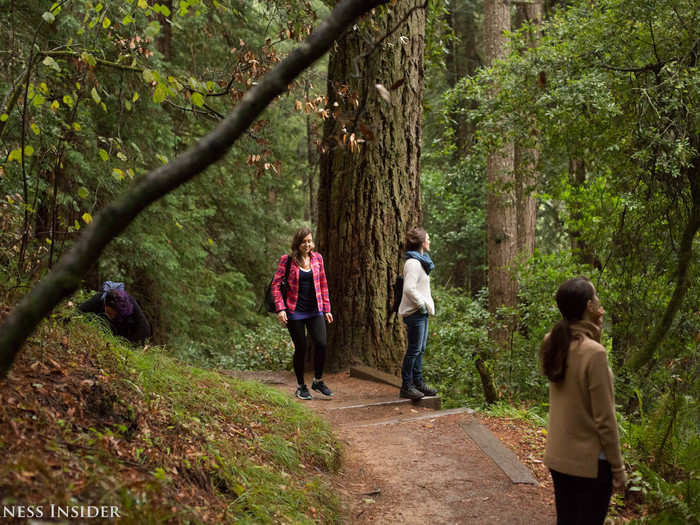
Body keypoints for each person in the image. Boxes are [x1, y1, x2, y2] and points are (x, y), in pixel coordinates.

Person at [540, 277, 626, 525]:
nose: (600, 302)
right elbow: (605, 419)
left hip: (559, 457)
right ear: (589, 305)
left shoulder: (553, 341)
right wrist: (618, 469)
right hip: (589, 464)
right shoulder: (594, 353)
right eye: (596, 297)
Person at [271, 227, 334, 400]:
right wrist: (281, 308)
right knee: (301, 348)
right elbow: (275, 285)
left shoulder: (317, 258)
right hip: (294, 311)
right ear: (297, 243)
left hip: (315, 310)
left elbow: (323, 284)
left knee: (321, 344)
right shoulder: (288, 260)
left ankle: (318, 381)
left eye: (309, 241)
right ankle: (301, 386)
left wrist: (327, 309)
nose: (307, 244)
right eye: (304, 241)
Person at [397, 227, 437, 400]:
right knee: (414, 350)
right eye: (428, 238)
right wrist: (420, 305)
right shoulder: (413, 263)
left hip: (421, 312)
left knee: (420, 350)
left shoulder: (421, 261)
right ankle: (407, 386)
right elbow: (408, 289)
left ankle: (418, 382)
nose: (429, 241)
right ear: (421, 242)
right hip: (414, 312)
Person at [79, 283, 151, 345]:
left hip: (123, 336)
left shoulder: (130, 305)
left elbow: (144, 329)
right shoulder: (98, 300)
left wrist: (130, 345)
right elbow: (79, 311)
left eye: (115, 314)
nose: (112, 315)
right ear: (106, 305)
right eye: (110, 313)